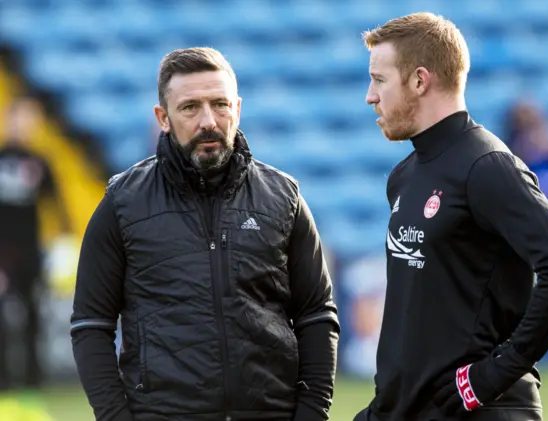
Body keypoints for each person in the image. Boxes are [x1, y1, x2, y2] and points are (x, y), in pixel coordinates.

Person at [70, 47, 340, 421]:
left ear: (238, 109)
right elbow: (90, 324)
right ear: (163, 117)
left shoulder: (284, 198)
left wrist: (312, 413)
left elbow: (316, 316)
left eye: (220, 104)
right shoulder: (122, 204)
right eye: (190, 107)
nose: (208, 121)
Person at [355, 13, 548, 421]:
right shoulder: (404, 176)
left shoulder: (488, 166)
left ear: (419, 80)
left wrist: (492, 375)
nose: (370, 96)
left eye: (379, 80)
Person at [0, 96, 71, 390]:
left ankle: (33, 378)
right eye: (19, 118)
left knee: (32, 313)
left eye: (30, 119)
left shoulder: (40, 161)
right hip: (2, 251)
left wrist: (60, 244)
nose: (23, 125)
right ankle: (4, 377)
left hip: (30, 249)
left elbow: (57, 206)